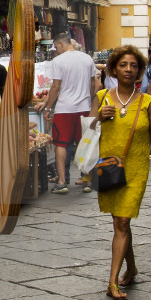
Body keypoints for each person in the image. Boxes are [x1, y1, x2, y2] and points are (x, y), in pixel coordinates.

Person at [93, 46, 151, 299]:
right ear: (114, 69)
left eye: (134, 65)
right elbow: (87, 131)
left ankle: (112, 281)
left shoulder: (149, 103)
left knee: (122, 222)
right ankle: (132, 267)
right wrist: (97, 119)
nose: (129, 69)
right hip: (108, 166)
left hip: (136, 168)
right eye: (124, 65)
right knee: (120, 222)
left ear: (140, 71)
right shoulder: (102, 97)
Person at [43, 31, 97, 193]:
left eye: (56, 47)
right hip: (84, 108)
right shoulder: (87, 58)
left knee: (61, 144)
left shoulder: (58, 61)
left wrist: (48, 108)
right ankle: (87, 179)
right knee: (85, 143)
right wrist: (89, 98)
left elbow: (56, 87)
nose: (56, 50)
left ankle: (62, 181)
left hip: (64, 109)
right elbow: (94, 83)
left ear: (60, 44)